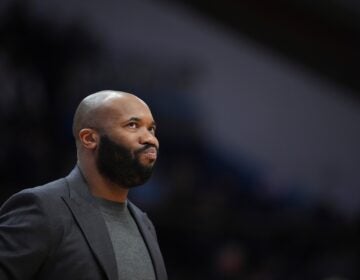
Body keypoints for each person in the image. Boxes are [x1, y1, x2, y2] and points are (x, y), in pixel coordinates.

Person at [0, 90, 168, 280]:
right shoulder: (43, 209)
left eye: (151, 129)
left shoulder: (144, 223)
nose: (149, 139)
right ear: (89, 138)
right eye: (132, 125)